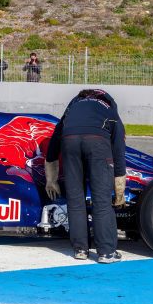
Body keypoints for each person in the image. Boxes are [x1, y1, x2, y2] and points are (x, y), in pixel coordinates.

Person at [45, 89, 126, 263]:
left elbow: (53, 144)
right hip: (97, 142)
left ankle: (80, 249)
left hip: (69, 142)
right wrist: (120, 188)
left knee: (75, 199)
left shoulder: (72, 108)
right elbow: (119, 151)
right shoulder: (110, 110)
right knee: (102, 200)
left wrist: (51, 180)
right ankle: (106, 252)